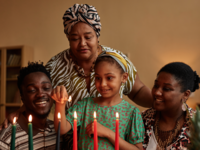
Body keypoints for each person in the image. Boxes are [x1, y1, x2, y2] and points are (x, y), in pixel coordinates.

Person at [52, 51, 145, 150]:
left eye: (109, 78)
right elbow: (61, 129)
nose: (102, 84)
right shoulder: (85, 105)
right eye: (98, 78)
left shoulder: (131, 113)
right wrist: (60, 103)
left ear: (124, 77)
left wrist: (108, 133)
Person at [0, 62, 63, 149]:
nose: (41, 94)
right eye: (32, 90)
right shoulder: (7, 138)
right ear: (22, 97)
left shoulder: (59, 130)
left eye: (46, 88)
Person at [142, 62, 200, 150]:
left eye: (166, 89)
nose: (157, 92)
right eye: (156, 85)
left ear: (185, 94)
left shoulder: (196, 124)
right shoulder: (142, 119)